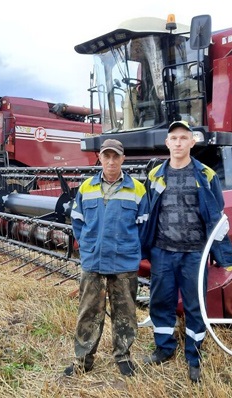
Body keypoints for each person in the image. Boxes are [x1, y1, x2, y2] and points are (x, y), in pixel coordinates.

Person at [142, 120, 232, 383]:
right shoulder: (155, 175)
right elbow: (148, 211)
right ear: (167, 143)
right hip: (162, 251)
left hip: (195, 253)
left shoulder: (206, 175)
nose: (179, 143)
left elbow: (216, 209)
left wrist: (219, 242)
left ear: (193, 142)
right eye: (174, 138)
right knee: (161, 301)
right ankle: (164, 348)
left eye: (184, 138)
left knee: (196, 305)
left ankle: (193, 355)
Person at [65, 139, 149, 377]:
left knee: (126, 313)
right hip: (93, 262)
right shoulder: (86, 188)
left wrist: (130, 248)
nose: (111, 161)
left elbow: (143, 227)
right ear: (99, 159)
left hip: (124, 263)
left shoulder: (137, 190)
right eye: (106, 156)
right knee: (88, 312)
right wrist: (89, 245)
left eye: (116, 157)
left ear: (123, 159)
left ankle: (122, 356)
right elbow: (77, 222)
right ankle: (83, 360)